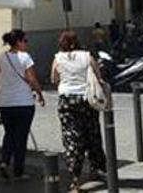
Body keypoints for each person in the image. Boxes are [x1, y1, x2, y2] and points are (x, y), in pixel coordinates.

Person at [50, 31, 107, 189]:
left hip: (67, 101)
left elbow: (53, 79)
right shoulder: (87, 56)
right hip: (86, 100)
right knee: (92, 133)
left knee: (72, 139)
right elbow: (98, 76)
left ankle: (75, 177)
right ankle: (97, 167)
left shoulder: (58, 59)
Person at [0, 28, 44, 181]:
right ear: (18, 42)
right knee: (21, 138)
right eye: (25, 41)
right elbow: (32, 79)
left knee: (9, 134)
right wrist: (40, 94)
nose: (26, 44)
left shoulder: (1, 57)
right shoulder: (25, 57)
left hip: (6, 103)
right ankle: (18, 172)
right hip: (24, 103)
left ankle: (4, 161)